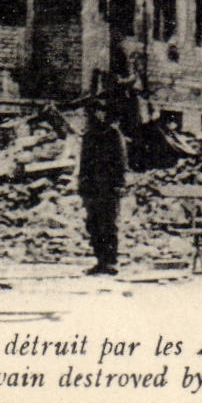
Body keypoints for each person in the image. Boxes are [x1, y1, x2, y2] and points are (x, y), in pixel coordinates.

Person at [78, 93, 128, 276]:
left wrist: (120, 184)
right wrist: (82, 184)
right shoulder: (89, 135)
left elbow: (122, 161)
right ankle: (99, 261)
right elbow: (83, 162)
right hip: (92, 187)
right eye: (96, 111)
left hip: (109, 187)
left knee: (109, 224)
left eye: (103, 111)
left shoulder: (113, 134)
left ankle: (111, 261)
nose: (99, 115)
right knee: (93, 224)